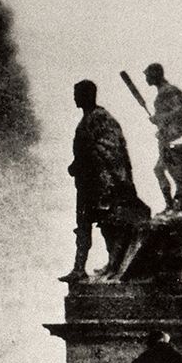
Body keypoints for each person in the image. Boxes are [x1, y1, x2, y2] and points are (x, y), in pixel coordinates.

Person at [62, 80, 141, 283]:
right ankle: (79, 268)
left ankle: (114, 264)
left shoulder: (100, 117)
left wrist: (83, 163)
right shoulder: (88, 118)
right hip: (87, 182)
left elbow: (110, 148)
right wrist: (77, 164)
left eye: (78, 93)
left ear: (88, 95)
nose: (75, 97)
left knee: (108, 225)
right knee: (83, 224)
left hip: (101, 183)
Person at [144, 63, 182, 209]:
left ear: (155, 75)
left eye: (148, 75)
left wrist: (159, 118)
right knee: (160, 170)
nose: (146, 79)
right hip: (168, 137)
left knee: (176, 172)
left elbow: (179, 111)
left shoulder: (167, 91)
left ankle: (176, 203)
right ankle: (171, 204)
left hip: (174, 137)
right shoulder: (167, 90)